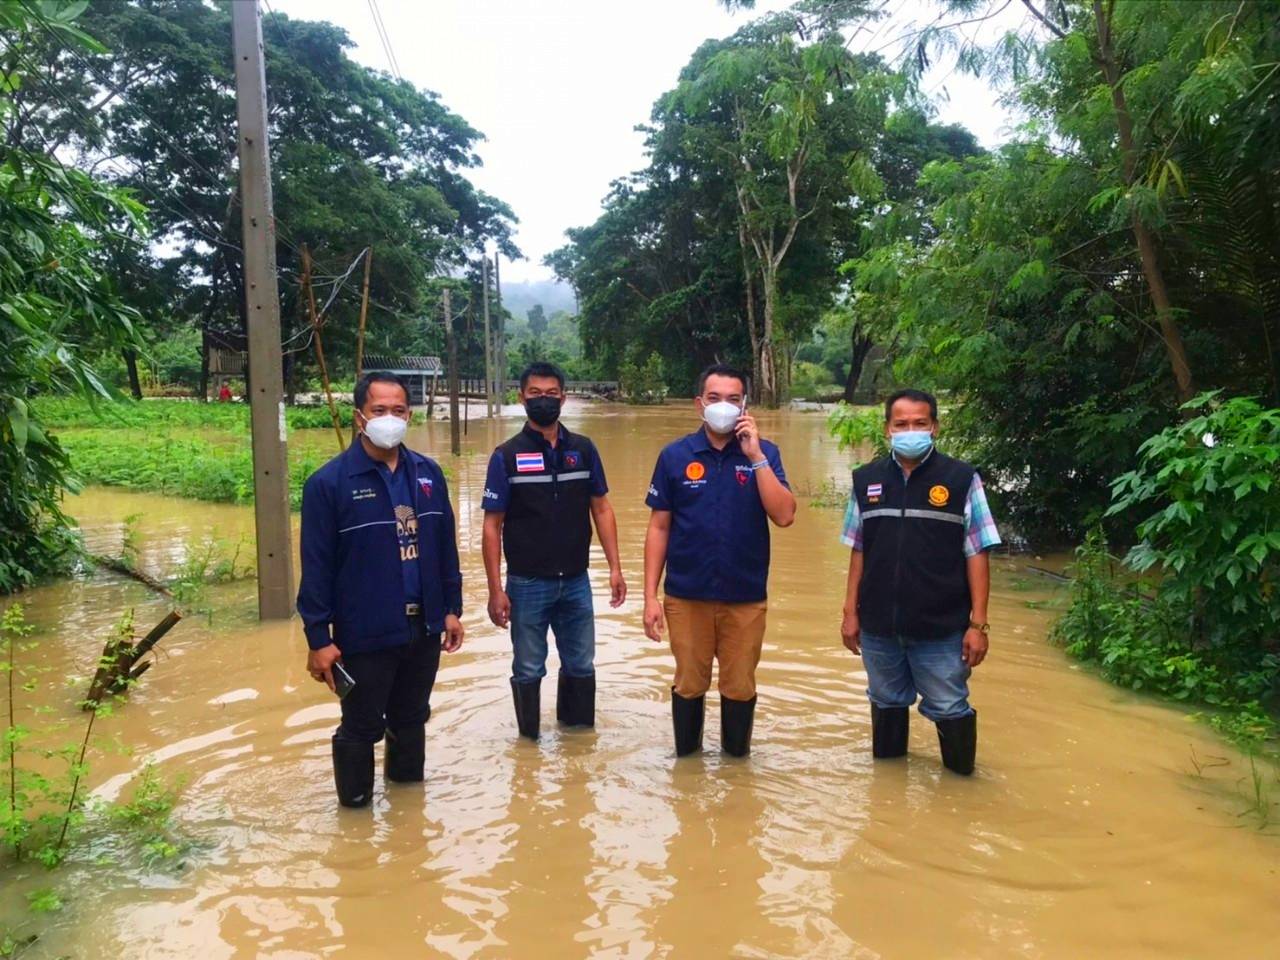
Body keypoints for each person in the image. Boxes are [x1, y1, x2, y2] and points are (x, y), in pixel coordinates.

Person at [297, 372, 464, 807]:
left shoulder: (428, 474)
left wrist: (451, 608)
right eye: (379, 410)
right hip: (365, 631)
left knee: (411, 719)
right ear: (359, 417)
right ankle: (354, 820)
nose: (390, 418)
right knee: (360, 727)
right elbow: (316, 567)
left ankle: (407, 816)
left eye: (398, 410)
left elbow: (444, 547)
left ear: (409, 416)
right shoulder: (328, 484)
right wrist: (318, 638)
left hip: (423, 628)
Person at [838, 388, 1001, 776]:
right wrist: (850, 612)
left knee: (949, 706)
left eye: (919, 423)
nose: (910, 431)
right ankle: (887, 793)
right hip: (879, 626)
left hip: (941, 628)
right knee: (886, 701)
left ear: (935, 427)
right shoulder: (866, 480)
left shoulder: (961, 479)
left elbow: (977, 552)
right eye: (901, 424)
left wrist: (978, 624)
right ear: (887, 429)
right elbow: (859, 549)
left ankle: (961, 791)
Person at [642, 364, 796, 758]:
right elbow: (659, 527)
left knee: (740, 686)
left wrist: (755, 455)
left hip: (745, 596)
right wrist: (649, 597)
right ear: (699, 404)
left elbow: (784, 515)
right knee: (688, 684)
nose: (723, 406)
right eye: (714, 398)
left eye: (732, 399)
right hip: (686, 595)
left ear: (744, 405)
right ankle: (687, 768)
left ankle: (737, 768)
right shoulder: (674, 456)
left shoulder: (766, 453)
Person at [482, 362, 625, 740]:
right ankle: (528, 748)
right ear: (521, 398)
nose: (543, 400)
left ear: (563, 398)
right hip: (526, 583)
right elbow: (492, 525)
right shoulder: (506, 456)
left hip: (577, 580)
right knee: (528, 667)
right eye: (535, 394)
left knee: (581, 663)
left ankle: (577, 744)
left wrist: (615, 567)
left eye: (550, 394)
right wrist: (495, 589)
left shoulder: (584, 450)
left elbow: (602, 508)